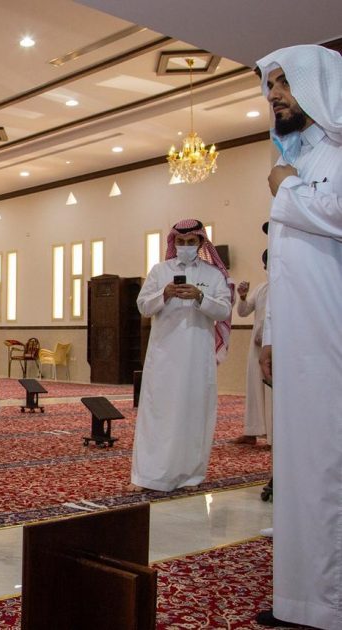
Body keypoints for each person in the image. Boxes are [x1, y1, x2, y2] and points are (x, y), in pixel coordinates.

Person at [255, 45, 342, 630]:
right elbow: (284, 270)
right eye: (271, 85)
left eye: (286, 82)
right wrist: (271, 338)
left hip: (330, 339)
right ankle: (301, 599)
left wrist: (286, 188)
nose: (275, 94)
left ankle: (329, 604)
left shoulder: (335, 153)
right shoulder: (296, 157)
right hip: (298, 343)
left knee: (327, 467)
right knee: (298, 470)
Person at [127, 219, 232, 493]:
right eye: (181, 242)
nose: (186, 246)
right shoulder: (160, 271)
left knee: (194, 414)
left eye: (191, 242)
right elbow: (143, 306)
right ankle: (148, 476)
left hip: (198, 358)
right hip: (164, 357)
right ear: (174, 243)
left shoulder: (213, 275)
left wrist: (200, 297)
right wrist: (164, 294)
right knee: (158, 414)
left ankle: (189, 475)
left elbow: (224, 311)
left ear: (200, 243)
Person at [232, 250, 271, 446]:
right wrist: (242, 297)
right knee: (255, 387)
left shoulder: (289, 288)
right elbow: (243, 312)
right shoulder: (262, 289)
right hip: (257, 348)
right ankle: (252, 432)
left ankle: (274, 435)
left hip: (277, 348)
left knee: (273, 390)